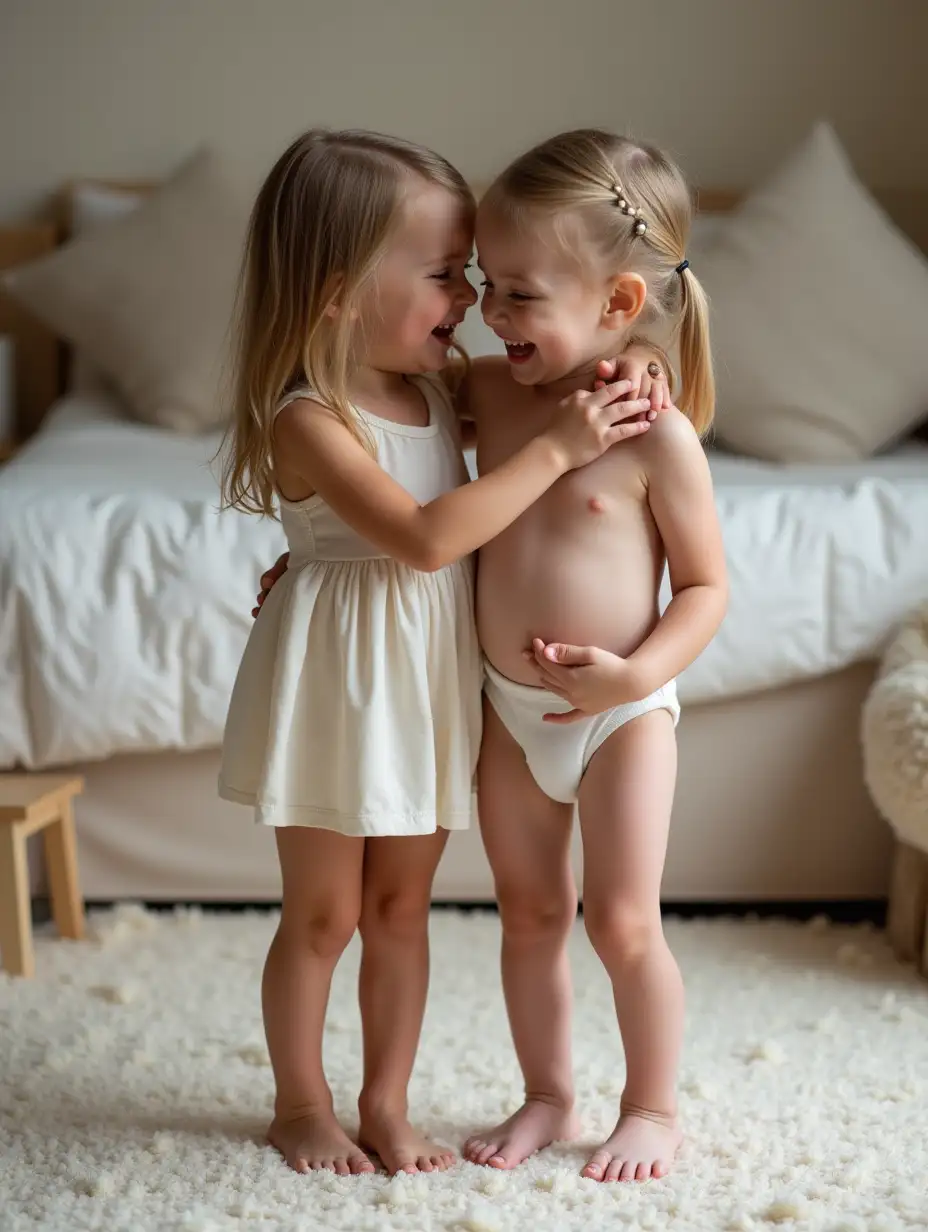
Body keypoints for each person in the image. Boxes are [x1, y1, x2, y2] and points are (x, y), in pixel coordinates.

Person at [218, 128, 665, 1179]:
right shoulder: (308, 417)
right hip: (337, 687)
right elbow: (423, 536)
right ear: (336, 295)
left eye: (474, 274)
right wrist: (562, 450)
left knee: (400, 910)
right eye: (443, 274)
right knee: (324, 913)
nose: (471, 299)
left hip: (421, 683)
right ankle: (300, 1102)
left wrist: (635, 361)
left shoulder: (435, 387)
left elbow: (546, 372)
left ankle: (385, 1099)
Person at [456, 129, 728, 1183]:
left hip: (619, 712)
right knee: (528, 912)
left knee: (620, 916)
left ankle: (651, 1106)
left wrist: (636, 674)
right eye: (484, 282)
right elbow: (388, 444)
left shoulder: (654, 433)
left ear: (616, 303)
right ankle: (545, 1092)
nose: (489, 310)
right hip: (509, 709)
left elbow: (705, 586)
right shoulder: (488, 391)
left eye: (519, 293)